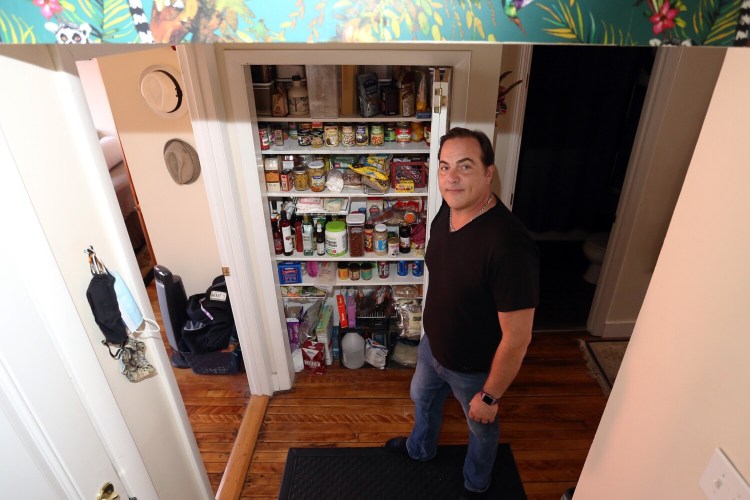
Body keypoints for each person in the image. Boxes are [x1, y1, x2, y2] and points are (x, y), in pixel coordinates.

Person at [385, 127, 539, 498]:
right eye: (444, 166)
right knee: (422, 400)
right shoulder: (449, 207)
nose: (451, 177)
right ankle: (420, 450)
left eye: (465, 166)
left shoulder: (509, 246)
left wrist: (490, 395)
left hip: (474, 368)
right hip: (432, 346)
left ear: (488, 173)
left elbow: (518, 338)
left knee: (482, 428)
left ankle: (476, 482)